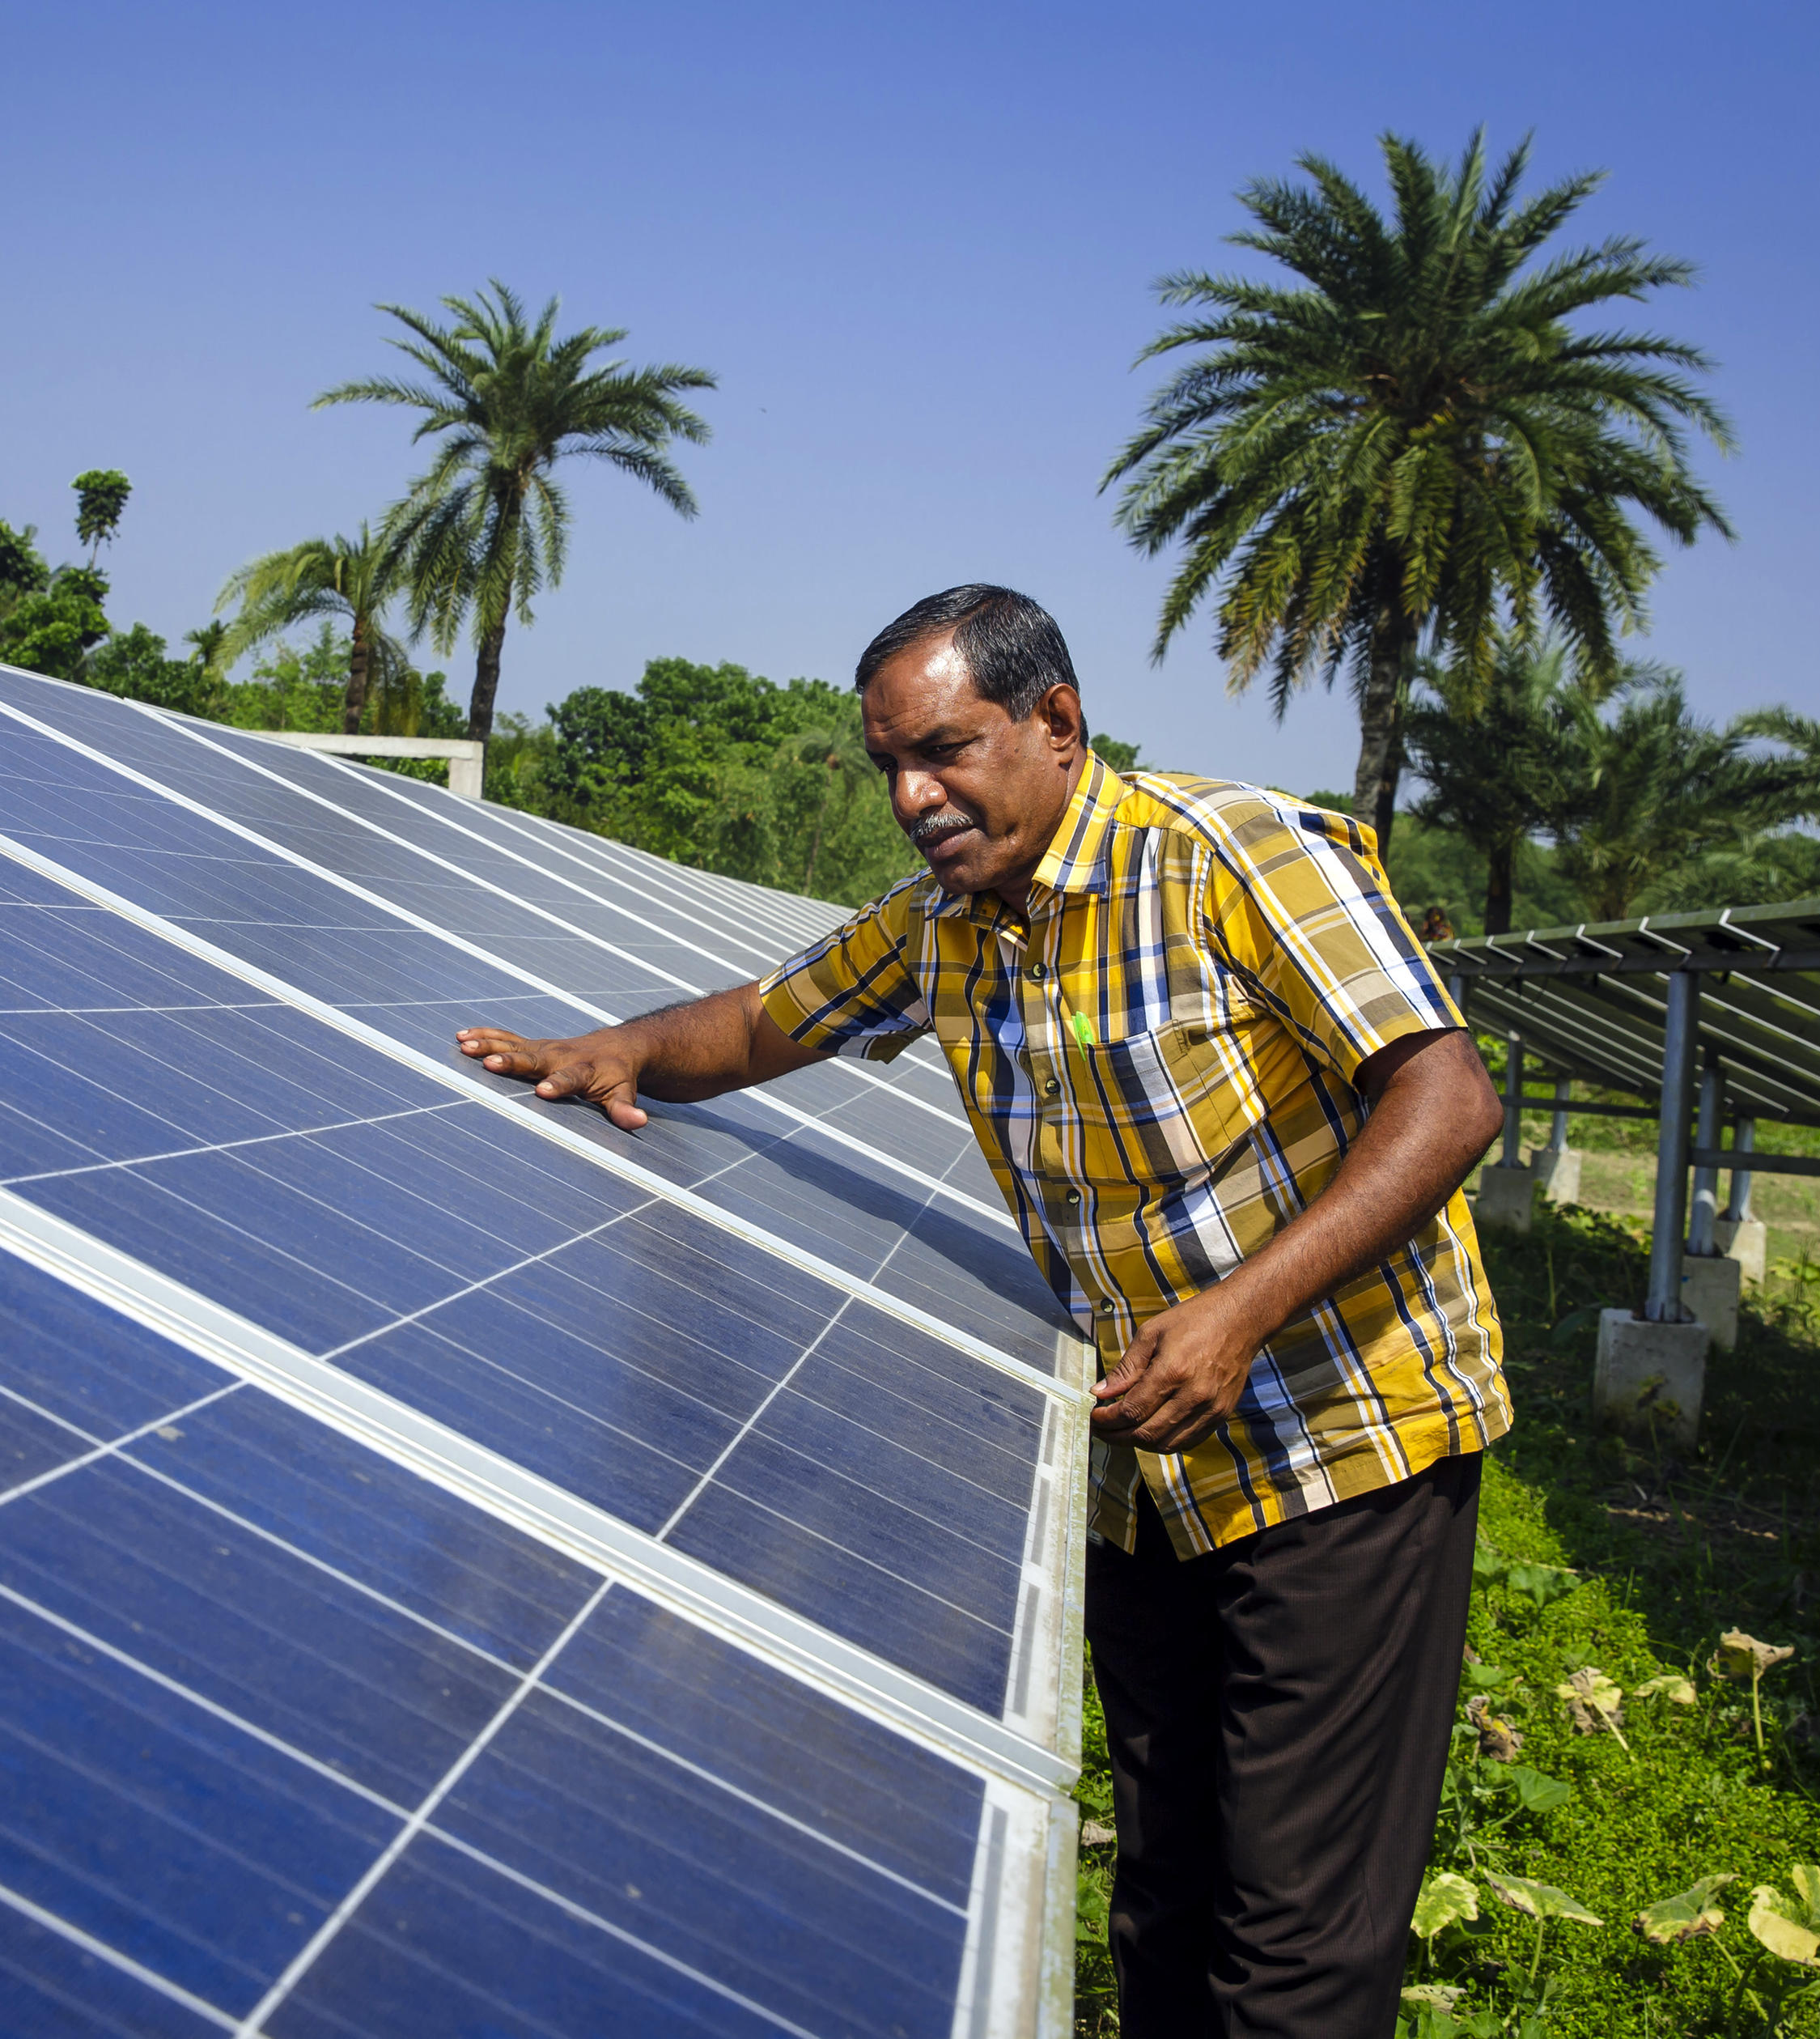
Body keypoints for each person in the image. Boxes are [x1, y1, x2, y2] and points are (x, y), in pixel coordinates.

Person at [456, 585, 1510, 2038]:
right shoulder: (948, 925)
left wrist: (1241, 1313)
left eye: (946, 750)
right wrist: (618, 1050)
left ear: (1057, 723)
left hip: (1343, 1444)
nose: (913, 795)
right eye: (890, 763)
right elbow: (771, 1020)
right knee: (1166, 1902)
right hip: (1150, 1474)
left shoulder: (1232, 858)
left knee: (1294, 1949)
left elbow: (1447, 1098)